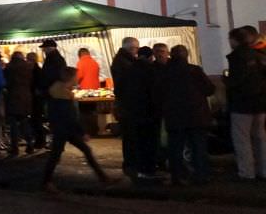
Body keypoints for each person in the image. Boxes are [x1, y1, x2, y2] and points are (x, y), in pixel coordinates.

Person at [41, 62, 110, 192]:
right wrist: (82, 132)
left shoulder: (59, 92)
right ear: (70, 78)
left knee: (81, 151)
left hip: (64, 128)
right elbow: (70, 117)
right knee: (56, 155)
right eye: (76, 76)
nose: (78, 78)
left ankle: (103, 177)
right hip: (63, 129)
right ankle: (46, 182)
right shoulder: (63, 96)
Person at [159, 44, 215, 185]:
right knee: (198, 147)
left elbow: (157, 94)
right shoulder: (194, 70)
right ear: (186, 55)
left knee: (175, 148)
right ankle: (201, 175)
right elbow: (209, 89)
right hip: (196, 115)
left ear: (171, 55)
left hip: (175, 116)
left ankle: (177, 177)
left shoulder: (165, 73)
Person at [111, 37, 157, 180]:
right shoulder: (126, 64)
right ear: (130, 48)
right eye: (135, 48)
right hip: (133, 108)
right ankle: (133, 167)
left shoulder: (124, 62)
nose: (136, 51)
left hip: (128, 107)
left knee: (131, 138)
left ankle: (132, 166)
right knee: (134, 138)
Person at [225, 27, 266, 181]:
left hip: (242, 104)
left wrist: (227, 82)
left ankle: (246, 172)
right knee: (260, 137)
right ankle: (263, 169)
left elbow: (236, 81)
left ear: (235, 40)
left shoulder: (237, 57)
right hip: (260, 103)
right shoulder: (258, 55)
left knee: (242, 139)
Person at [3, 51, 36, 155]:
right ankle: (30, 144)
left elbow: (5, 82)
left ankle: (14, 147)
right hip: (26, 97)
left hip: (12, 97)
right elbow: (32, 82)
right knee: (25, 121)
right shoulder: (29, 67)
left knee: (13, 124)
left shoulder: (8, 68)